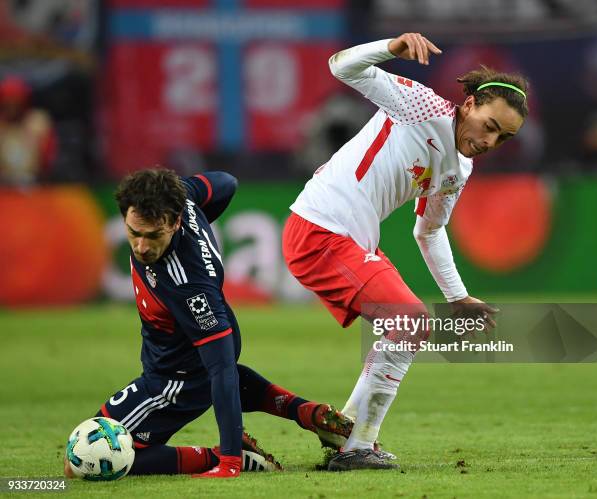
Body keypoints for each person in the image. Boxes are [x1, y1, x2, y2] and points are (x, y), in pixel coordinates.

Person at [282, 33, 528, 471]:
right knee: (410, 321)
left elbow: (429, 231)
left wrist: (457, 296)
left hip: (347, 239)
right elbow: (341, 66)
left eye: (503, 138)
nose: (491, 141)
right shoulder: (424, 105)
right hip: (321, 228)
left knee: (407, 325)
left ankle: (345, 431)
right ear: (468, 104)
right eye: (490, 126)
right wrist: (391, 47)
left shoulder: (459, 168)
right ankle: (358, 443)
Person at [64, 168, 352, 479]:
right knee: (211, 374)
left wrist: (228, 462)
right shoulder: (182, 199)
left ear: (175, 223)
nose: (142, 247)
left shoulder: (188, 284)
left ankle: (224, 456)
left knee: (82, 460)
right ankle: (305, 412)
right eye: (134, 233)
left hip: (173, 378)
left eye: (153, 236)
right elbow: (227, 182)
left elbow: (222, 370)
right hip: (193, 346)